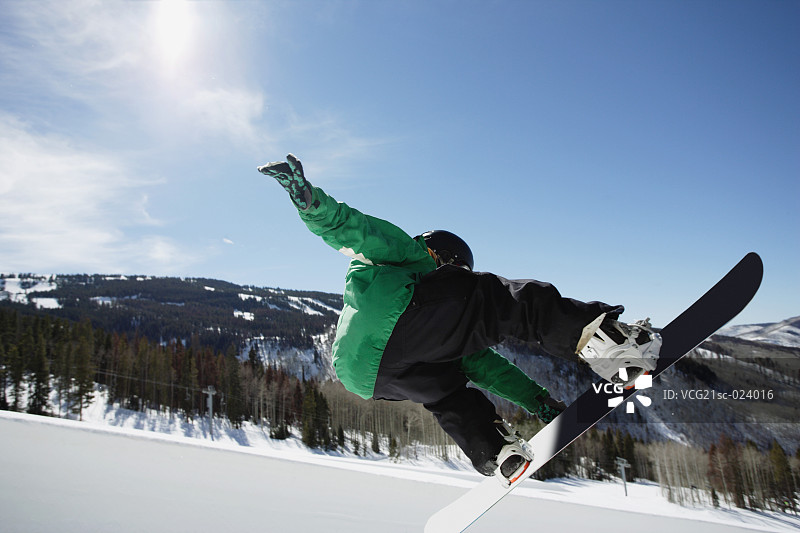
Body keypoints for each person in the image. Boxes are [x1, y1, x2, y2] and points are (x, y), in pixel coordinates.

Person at [258, 154, 661, 483]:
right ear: (442, 256)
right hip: (395, 322)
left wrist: (540, 402)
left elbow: (486, 365)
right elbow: (354, 228)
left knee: (450, 394)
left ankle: (495, 452)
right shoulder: (411, 254)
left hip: (361, 373)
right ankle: (606, 342)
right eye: (457, 269)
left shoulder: (438, 323)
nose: (457, 279)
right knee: (499, 299)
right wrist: (309, 201)